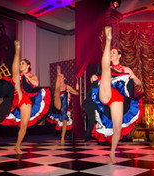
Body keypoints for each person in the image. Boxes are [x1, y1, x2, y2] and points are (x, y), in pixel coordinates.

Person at [84, 26, 144, 164]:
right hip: (105, 93)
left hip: (117, 99)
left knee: (117, 128)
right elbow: (96, 78)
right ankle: (108, 40)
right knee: (105, 70)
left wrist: (133, 77)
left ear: (119, 56)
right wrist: (93, 78)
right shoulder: (107, 68)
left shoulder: (126, 69)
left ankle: (112, 152)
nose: (112, 55)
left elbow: (139, 84)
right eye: (110, 53)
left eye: (113, 53)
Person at [0, 40, 52, 154]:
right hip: (16, 95)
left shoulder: (32, 75)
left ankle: (18, 145)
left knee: (24, 125)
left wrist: (26, 76)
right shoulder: (17, 75)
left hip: (26, 101)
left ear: (28, 66)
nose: (20, 65)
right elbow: (9, 79)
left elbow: (36, 84)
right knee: (15, 76)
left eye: (22, 63)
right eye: (19, 64)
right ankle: (17, 49)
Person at [47, 65, 79, 144]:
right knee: (57, 90)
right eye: (59, 77)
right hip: (57, 101)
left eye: (61, 77)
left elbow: (77, 93)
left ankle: (62, 138)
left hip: (64, 104)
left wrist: (70, 91)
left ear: (64, 78)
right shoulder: (57, 86)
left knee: (65, 119)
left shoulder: (67, 86)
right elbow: (57, 87)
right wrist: (58, 72)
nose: (60, 78)